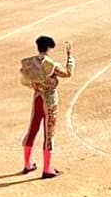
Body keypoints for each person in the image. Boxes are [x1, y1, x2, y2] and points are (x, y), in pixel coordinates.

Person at [20, 36, 75, 179]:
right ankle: (47, 169)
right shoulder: (51, 64)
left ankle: (27, 164)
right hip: (49, 101)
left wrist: (37, 85)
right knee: (49, 134)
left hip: (37, 98)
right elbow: (68, 73)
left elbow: (25, 80)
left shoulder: (30, 63)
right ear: (49, 49)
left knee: (32, 130)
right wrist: (70, 57)